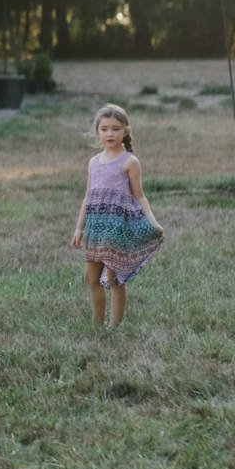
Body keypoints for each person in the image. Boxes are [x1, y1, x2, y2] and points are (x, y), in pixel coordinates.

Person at [71, 103, 164, 328]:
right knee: (91, 279)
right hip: (95, 229)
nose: (109, 133)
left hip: (116, 229)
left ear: (125, 131)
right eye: (104, 129)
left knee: (113, 279)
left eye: (115, 128)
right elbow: (88, 197)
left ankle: (114, 327)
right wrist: (79, 228)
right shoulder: (94, 162)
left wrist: (153, 221)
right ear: (98, 131)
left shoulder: (129, 162)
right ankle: (97, 324)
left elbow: (140, 197)